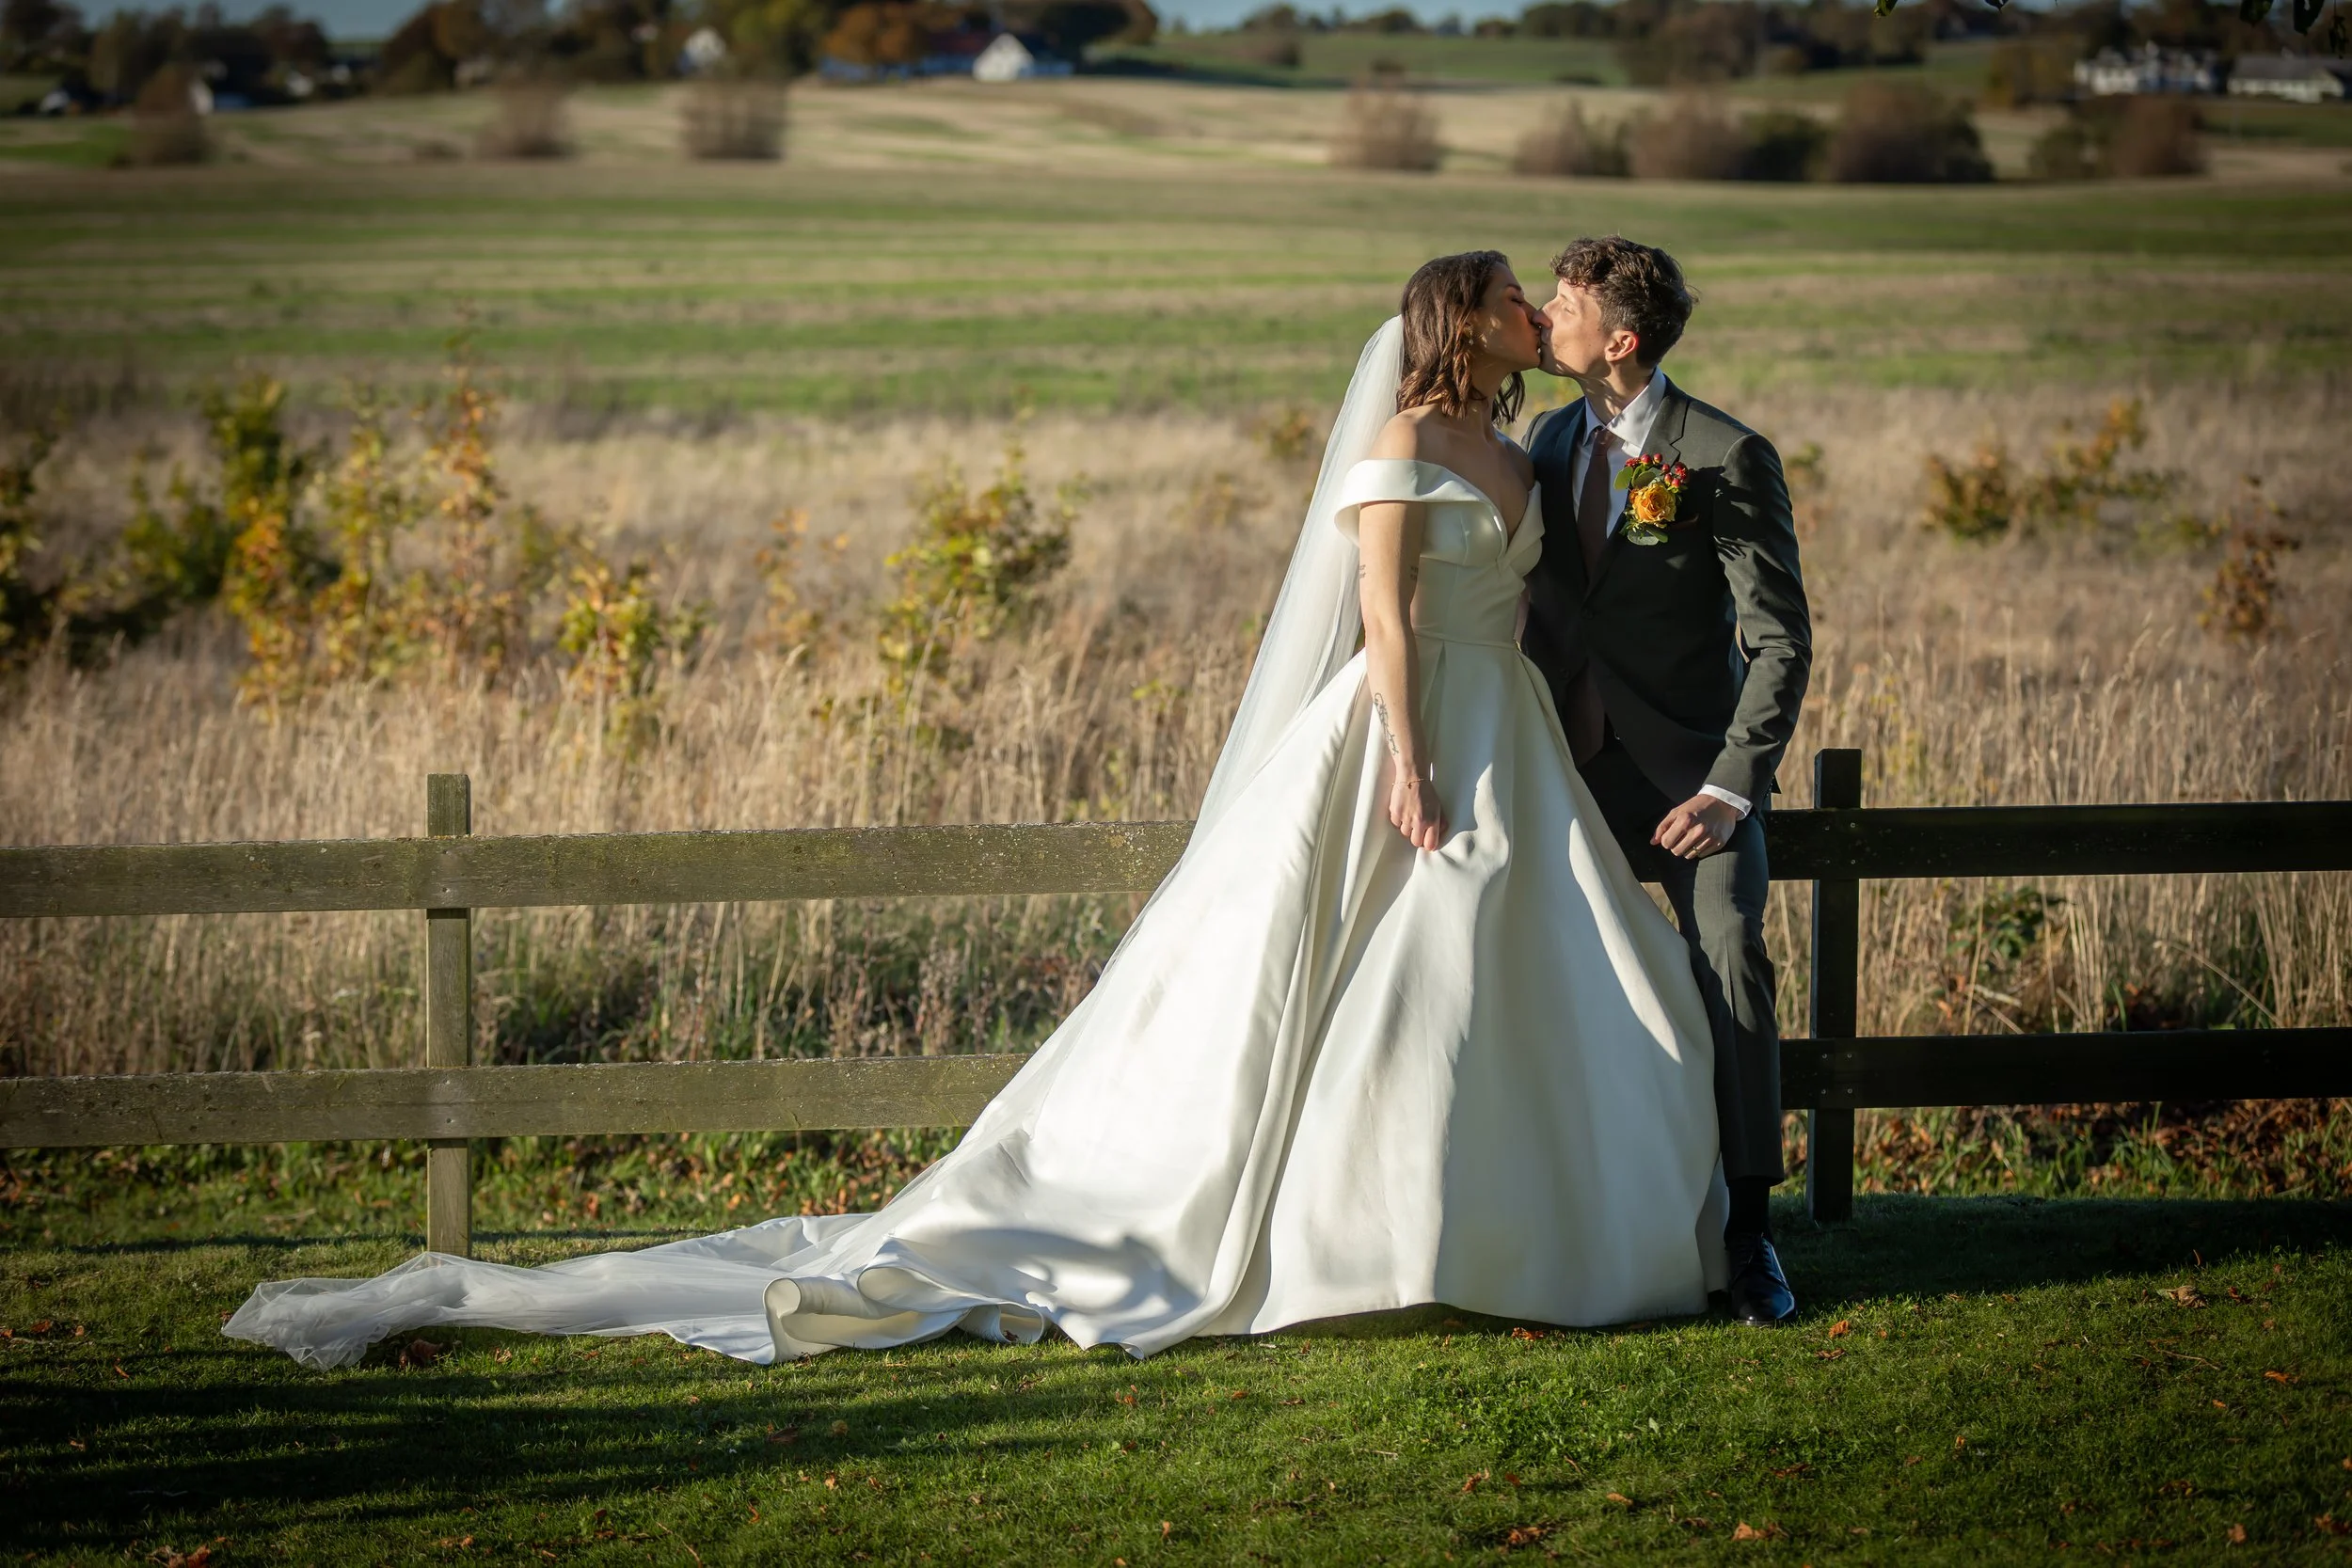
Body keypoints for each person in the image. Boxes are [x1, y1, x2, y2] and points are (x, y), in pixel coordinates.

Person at [226, 252, 1734, 1371]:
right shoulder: (1400, 449)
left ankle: (1504, 1224)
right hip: (1407, 733)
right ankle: (1358, 1235)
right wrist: (1402, 756)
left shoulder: (1525, 445)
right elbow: (1388, 621)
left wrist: (1580, 707)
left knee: (1534, 975)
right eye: (1516, 301)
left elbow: (1547, 607)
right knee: (1395, 974)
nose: (1540, 312)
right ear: (1459, 323)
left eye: (1551, 304)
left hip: (1515, 730)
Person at [1518, 236, 1812, 1328]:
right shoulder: (1545, 441)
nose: (1545, 313)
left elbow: (1780, 642)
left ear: (1620, 339)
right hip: (1570, 767)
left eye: (1564, 302)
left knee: (1732, 952)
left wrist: (1732, 788)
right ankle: (1569, 1200)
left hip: (1695, 773)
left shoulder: (1725, 453)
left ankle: (1748, 1228)